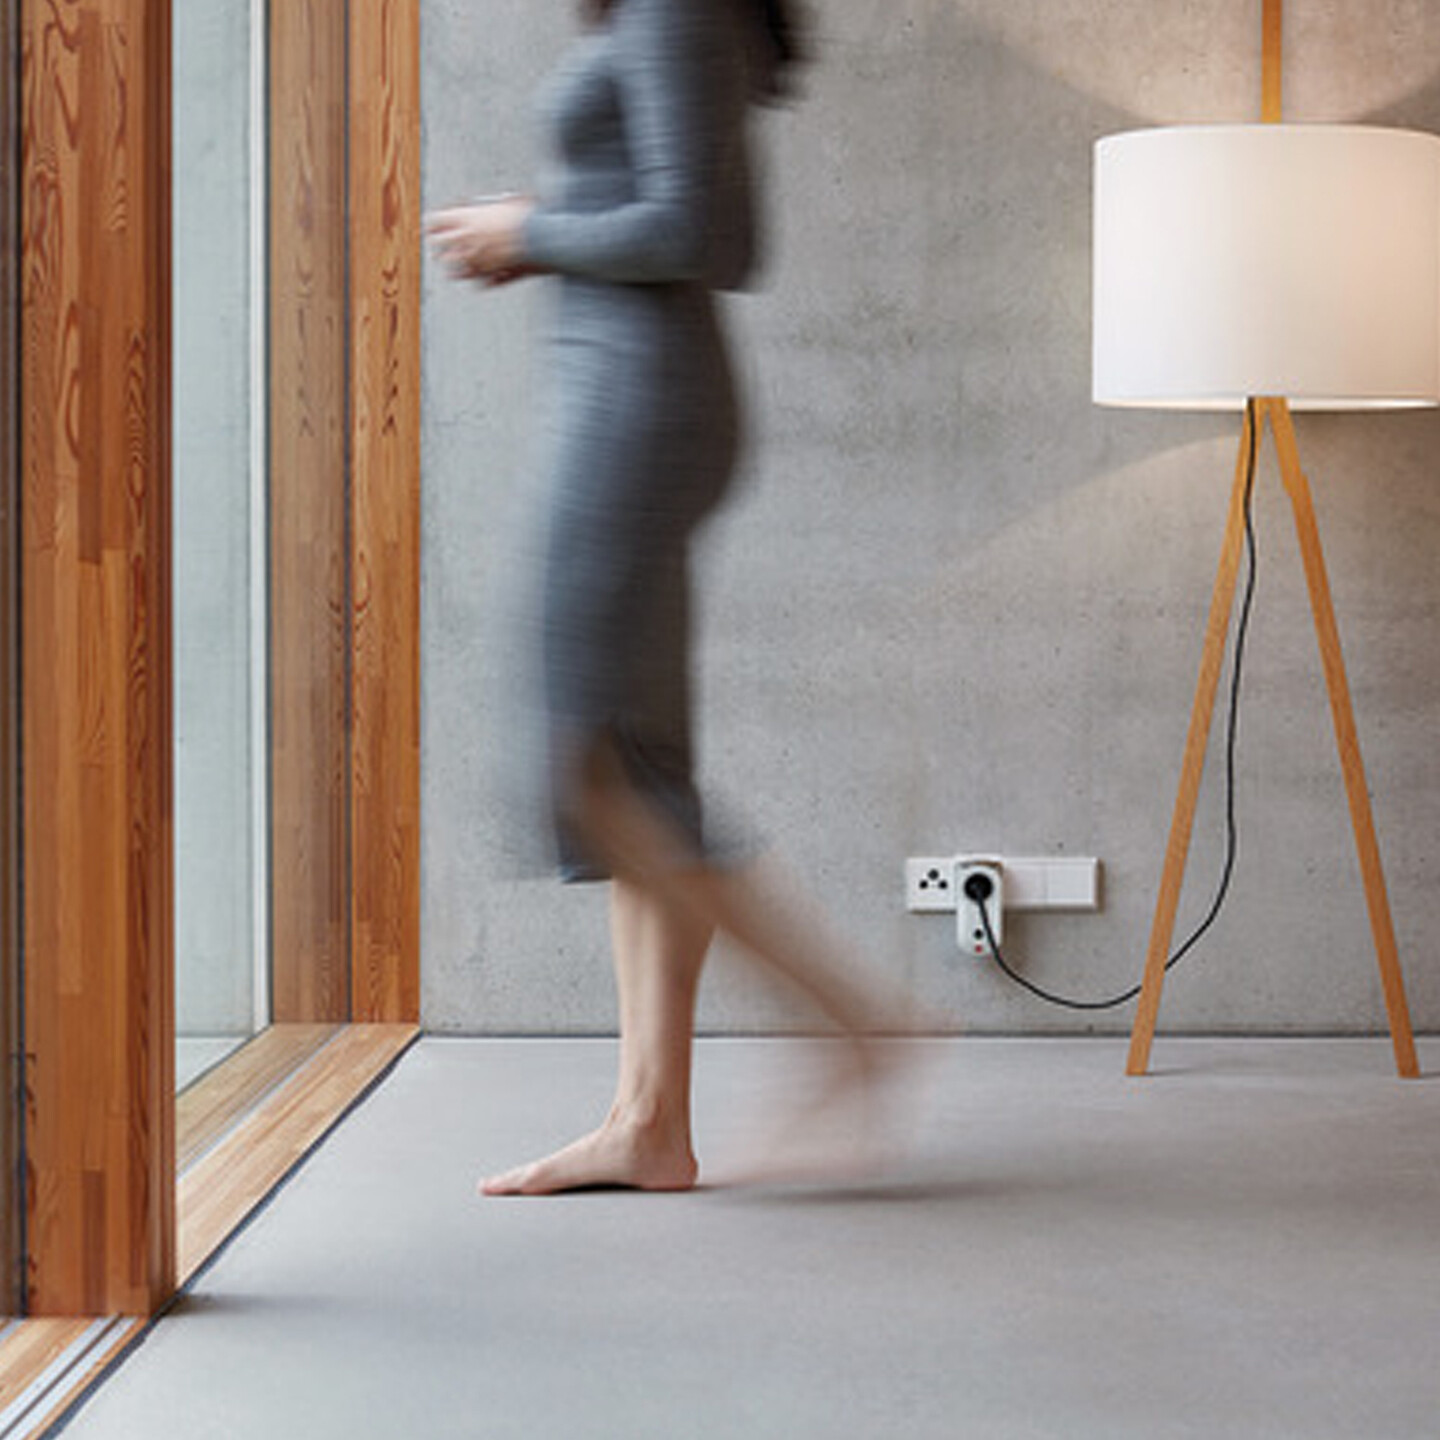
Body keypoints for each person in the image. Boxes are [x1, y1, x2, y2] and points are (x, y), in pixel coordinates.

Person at [427, 0, 901, 1196]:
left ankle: (850, 1019)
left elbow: (710, 235)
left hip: (635, 411)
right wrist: (542, 230)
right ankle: (649, 1126)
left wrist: (532, 230)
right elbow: (679, 211)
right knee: (635, 768)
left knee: (576, 767)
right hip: (628, 399)